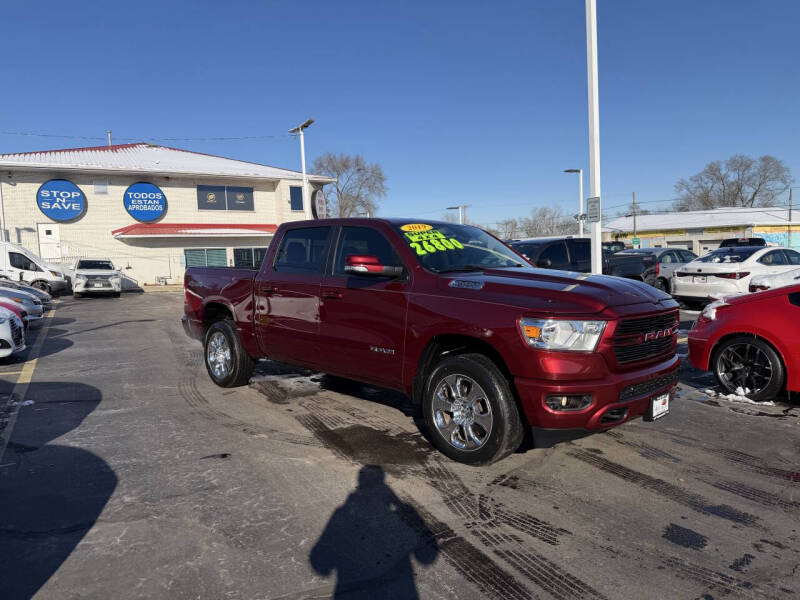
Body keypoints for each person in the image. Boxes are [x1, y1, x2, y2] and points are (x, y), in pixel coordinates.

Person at [310, 465, 438, 599]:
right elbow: (427, 558)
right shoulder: (400, 515)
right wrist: (409, 513)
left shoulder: (343, 514)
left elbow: (320, 564)